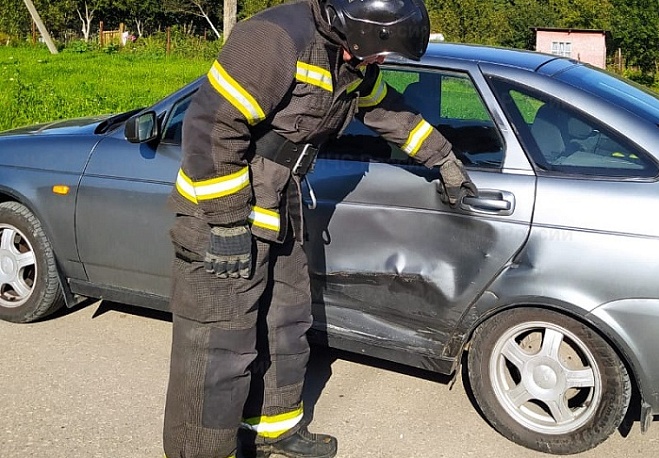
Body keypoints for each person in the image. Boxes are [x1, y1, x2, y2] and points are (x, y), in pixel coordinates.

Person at [162, 0, 477, 457]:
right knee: (217, 345)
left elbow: (386, 110)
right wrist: (227, 221)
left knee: (285, 322)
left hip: (278, 205)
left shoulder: (350, 58)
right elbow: (211, 125)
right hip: (217, 216)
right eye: (383, 50)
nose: (383, 62)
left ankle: (273, 431)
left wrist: (442, 157)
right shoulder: (273, 39)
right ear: (361, 31)